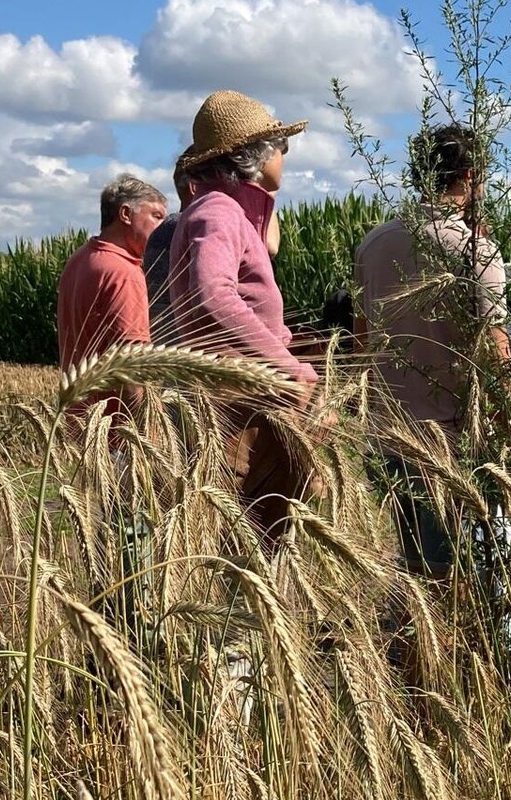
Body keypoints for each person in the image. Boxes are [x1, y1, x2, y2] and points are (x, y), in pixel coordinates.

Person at [353, 123, 511, 578]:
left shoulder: (373, 243)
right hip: (451, 438)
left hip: (385, 432)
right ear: (469, 175)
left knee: (414, 564)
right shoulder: (474, 253)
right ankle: (449, 649)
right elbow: (495, 349)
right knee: (459, 574)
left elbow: (360, 339)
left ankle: (413, 649)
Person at [167, 89, 317, 550]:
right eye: (281, 147)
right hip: (241, 413)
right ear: (256, 154)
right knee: (255, 551)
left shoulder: (223, 212)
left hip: (241, 405)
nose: (285, 156)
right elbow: (212, 294)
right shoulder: (220, 213)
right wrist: (288, 369)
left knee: (256, 548)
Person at [57, 174, 168, 420]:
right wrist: (150, 428)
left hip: (78, 420)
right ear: (126, 214)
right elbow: (131, 364)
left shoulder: (79, 259)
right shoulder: (124, 273)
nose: (162, 227)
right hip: (115, 430)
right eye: (156, 216)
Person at [142, 153, 195, 345]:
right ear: (194, 187)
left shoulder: (160, 232)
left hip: (167, 349)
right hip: (193, 354)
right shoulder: (195, 227)